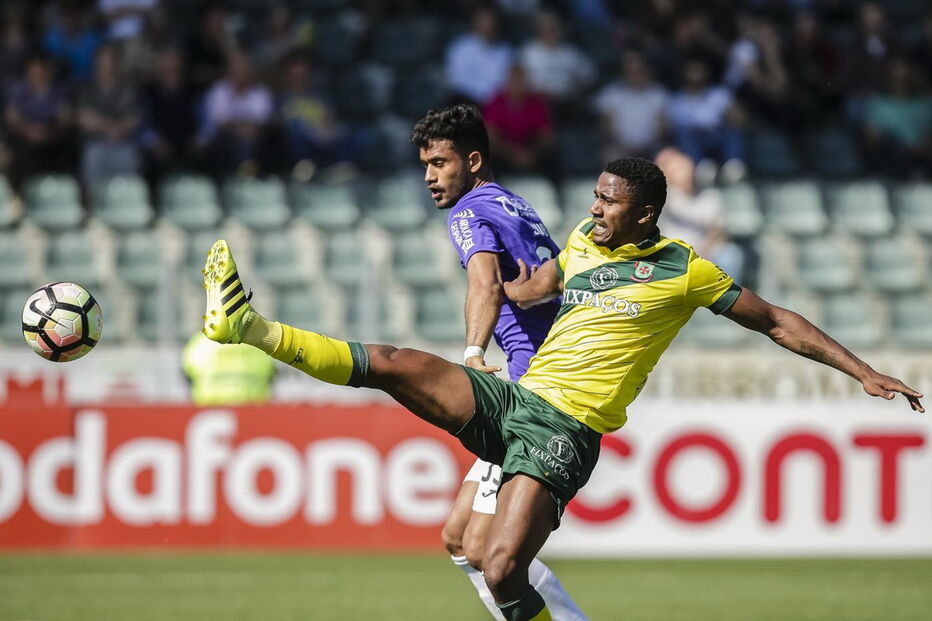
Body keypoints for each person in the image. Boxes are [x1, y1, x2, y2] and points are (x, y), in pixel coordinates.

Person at [201, 157, 923, 621]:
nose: (597, 208)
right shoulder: (582, 237)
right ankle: (250, 325)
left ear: (645, 213)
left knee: (500, 565)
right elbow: (535, 285)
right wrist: (492, 271)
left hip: (565, 429)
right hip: (517, 396)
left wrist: (860, 369)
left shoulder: (685, 270)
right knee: (392, 361)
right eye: (597, 197)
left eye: (611, 202)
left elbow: (776, 321)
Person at [410, 104, 584, 620]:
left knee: (486, 550)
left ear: (475, 160)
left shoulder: (469, 212)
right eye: (425, 165)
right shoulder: (515, 204)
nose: (429, 177)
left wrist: (471, 353)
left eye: (440, 163)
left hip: (530, 389)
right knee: (459, 538)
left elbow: (484, 284)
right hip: (540, 373)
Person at [182, 331, 275, 406]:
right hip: (252, 411)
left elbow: (187, 376)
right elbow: (272, 375)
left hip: (209, 410)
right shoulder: (259, 342)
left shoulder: (199, 343)